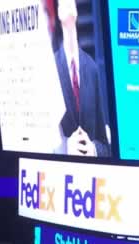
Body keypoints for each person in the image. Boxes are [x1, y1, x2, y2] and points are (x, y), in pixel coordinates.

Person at [50, 0, 112, 157]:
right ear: (57, 13)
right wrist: (64, 149)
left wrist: (94, 150)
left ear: (77, 11)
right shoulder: (50, 68)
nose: (67, 4)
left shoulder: (92, 68)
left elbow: (104, 144)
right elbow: (38, 141)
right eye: (62, 3)